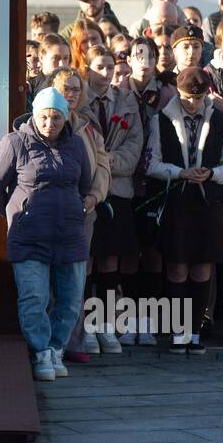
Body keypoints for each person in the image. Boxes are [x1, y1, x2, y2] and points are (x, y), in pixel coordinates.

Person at [0, 88, 91, 382]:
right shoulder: (14, 142)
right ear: (34, 115)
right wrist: (14, 213)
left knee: (70, 299)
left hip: (70, 236)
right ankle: (40, 351)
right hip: (29, 236)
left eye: (56, 118)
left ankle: (56, 348)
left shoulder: (77, 145)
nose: (50, 123)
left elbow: (85, 184)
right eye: (44, 117)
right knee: (34, 297)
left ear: (65, 119)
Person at [145, 67, 223, 354]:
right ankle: (178, 331)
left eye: (198, 99)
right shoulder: (161, 121)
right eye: (187, 98)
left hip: (207, 202)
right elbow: (151, 163)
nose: (193, 103)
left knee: (202, 268)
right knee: (177, 267)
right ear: (177, 92)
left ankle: (196, 331)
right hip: (178, 201)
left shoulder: (222, 121)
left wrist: (211, 174)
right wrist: (180, 172)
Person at [81, 46, 144, 352]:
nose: (106, 73)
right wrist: (98, 167)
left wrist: (109, 163)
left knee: (110, 261)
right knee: (87, 261)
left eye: (110, 67)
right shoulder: (78, 100)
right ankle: (85, 328)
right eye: (99, 67)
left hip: (118, 192)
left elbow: (135, 145)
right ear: (87, 68)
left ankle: (105, 325)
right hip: (88, 192)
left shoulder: (126, 99)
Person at [45, 67, 109, 364]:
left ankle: (73, 340)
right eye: (64, 89)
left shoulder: (89, 127)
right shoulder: (42, 121)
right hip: (48, 212)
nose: (70, 95)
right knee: (46, 280)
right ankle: (47, 343)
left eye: (75, 89)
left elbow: (103, 165)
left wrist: (95, 195)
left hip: (83, 213)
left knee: (75, 278)